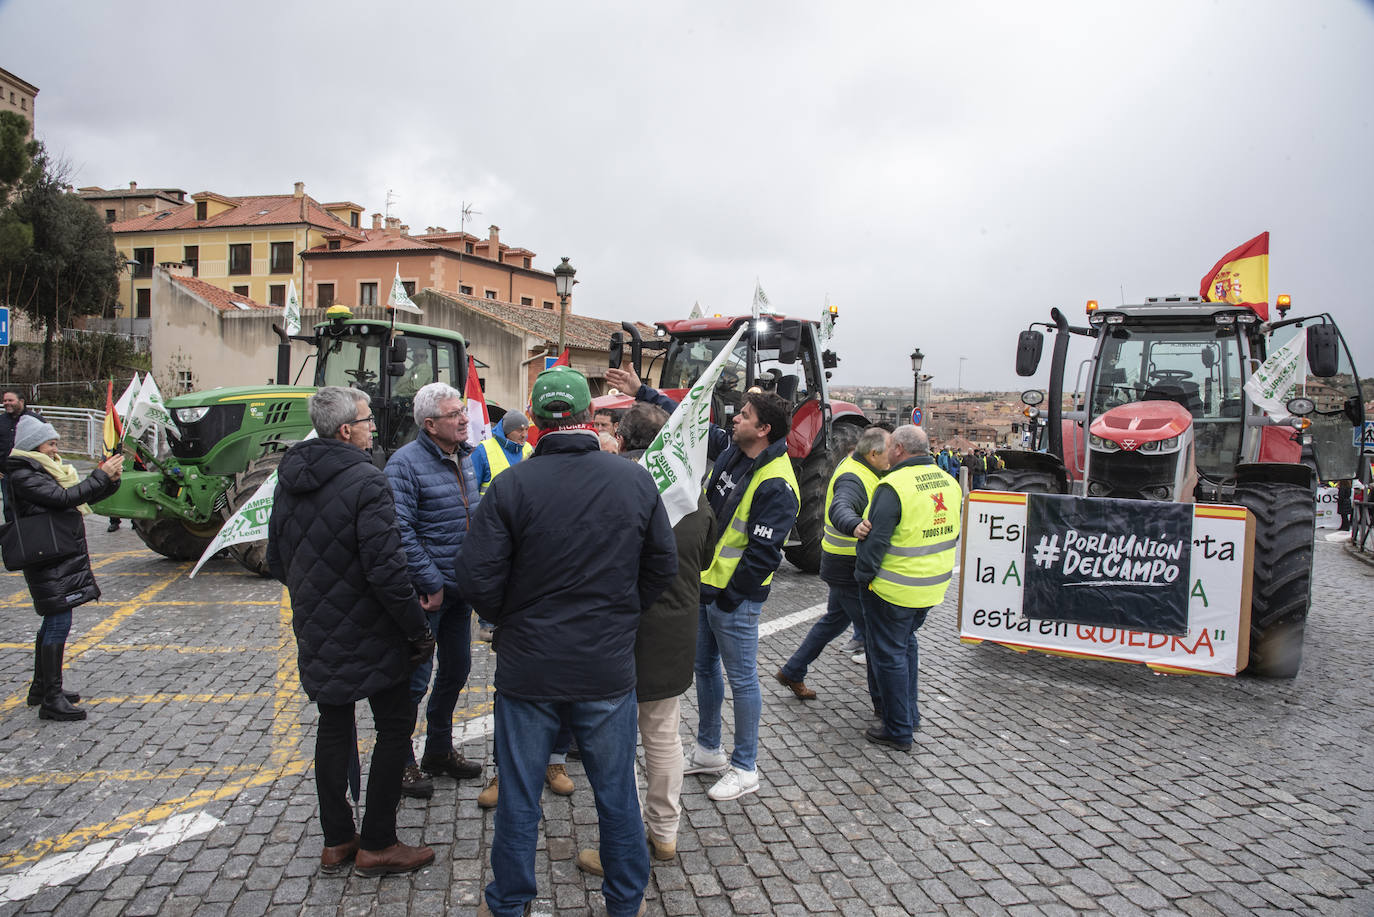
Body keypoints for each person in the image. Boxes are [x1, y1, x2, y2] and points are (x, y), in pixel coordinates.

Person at [458, 365, 676, 917]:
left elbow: (477, 577)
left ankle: (509, 903)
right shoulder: (633, 480)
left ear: (533, 419)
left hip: (529, 667)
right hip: (604, 665)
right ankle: (625, 902)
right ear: (589, 417)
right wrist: (620, 616)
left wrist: (513, 620)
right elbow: (661, 568)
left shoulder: (511, 485)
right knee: (616, 795)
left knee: (519, 797)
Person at [605, 365, 800, 803]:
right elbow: (686, 421)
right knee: (705, 671)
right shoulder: (735, 448)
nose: (735, 418)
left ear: (763, 429)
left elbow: (764, 554)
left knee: (743, 681)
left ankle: (746, 766)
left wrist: (730, 599)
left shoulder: (777, 483)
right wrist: (645, 392)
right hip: (706, 589)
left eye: (745, 414)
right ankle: (709, 749)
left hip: (734, 601)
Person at [266, 386, 436, 877]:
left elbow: (278, 559)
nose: (372, 428)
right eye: (367, 420)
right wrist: (416, 630)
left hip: (316, 627)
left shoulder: (288, 479)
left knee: (333, 726)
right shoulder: (367, 481)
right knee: (394, 727)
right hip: (372, 629)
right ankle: (379, 841)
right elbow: (388, 570)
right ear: (346, 430)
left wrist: (318, 593)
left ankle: (337, 839)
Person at [576, 402, 717, 877]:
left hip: (619, 625)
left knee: (615, 739)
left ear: (621, 434)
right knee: (663, 734)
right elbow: (708, 549)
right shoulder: (692, 490)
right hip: (675, 626)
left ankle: (622, 845)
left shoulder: (612, 482)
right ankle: (665, 834)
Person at [385, 382, 484, 799]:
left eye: (463, 411)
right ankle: (401, 761)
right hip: (427, 597)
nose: (464, 419)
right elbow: (400, 531)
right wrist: (431, 583)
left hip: (460, 593)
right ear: (430, 425)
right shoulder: (404, 465)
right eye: (453, 414)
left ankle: (438, 750)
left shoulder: (466, 458)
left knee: (457, 669)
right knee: (414, 681)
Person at [3, 416, 122, 721]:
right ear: (34, 445)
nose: (56, 450)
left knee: (53, 620)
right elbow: (64, 498)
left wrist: (110, 478)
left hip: (56, 552)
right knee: (57, 620)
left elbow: (82, 494)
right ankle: (51, 699)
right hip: (46, 555)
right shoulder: (22, 473)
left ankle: (41, 689)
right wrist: (99, 476)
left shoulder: (42, 469)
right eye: (51, 443)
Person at [855, 425, 961, 752]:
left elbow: (876, 541)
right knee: (906, 646)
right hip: (930, 587)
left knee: (889, 656)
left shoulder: (894, 485)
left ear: (899, 449)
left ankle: (898, 728)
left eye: (889, 446)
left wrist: (863, 576)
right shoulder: (949, 482)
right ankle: (910, 715)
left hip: (893, 588)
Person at [775, 426, 890, 701]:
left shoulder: (865, 468)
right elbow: (841, 507)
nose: (893, 458)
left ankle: (793, 670)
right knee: (876, 635)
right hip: (846, 567)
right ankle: (884, 705)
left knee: (833, 621)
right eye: (889, 453)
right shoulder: (854, 476)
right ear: (873, 453)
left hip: (842, 563)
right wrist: (854, 525)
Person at [472, 412, 533, 496]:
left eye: (526, 429)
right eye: (520, 430)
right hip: (491, 508)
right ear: (507, 431)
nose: (524, 435)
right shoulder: (483, 449)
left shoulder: (529, 448)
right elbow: (471, 490)